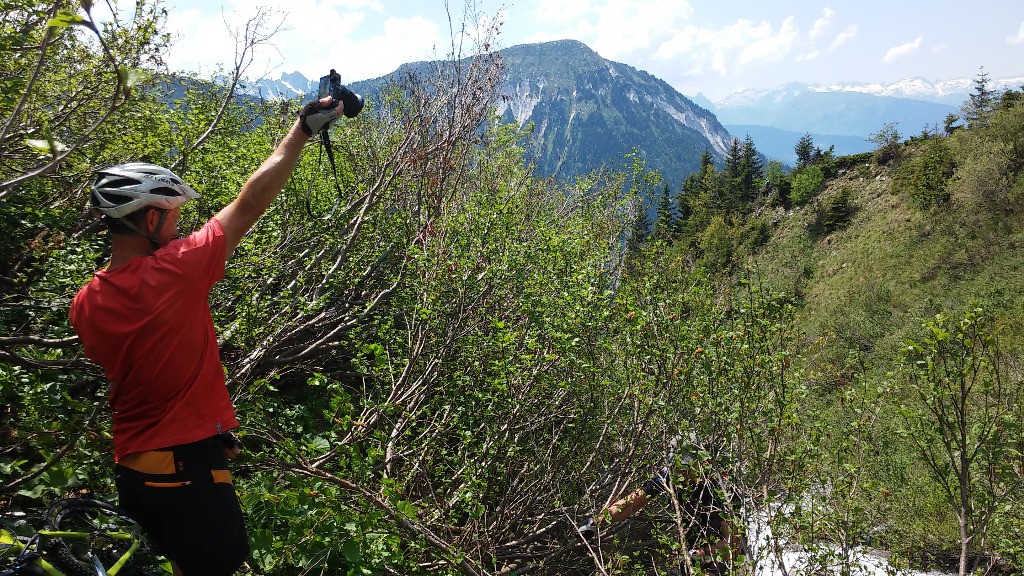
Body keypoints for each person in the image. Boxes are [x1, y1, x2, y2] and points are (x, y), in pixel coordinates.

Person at [69, 94, 348, 576]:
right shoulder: (176, 270)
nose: (179, 229)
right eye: (174, 216)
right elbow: (250, 202)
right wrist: (302, 131)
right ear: (151, 219)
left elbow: (149, 374)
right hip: (181, 469)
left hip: (136, 468)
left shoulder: (85, 302)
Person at [577, 441, 745, 575]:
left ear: (699, 463)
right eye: (677, 467)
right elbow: (634, 501)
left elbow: (732, 544)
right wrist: (596, 523)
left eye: (685, 468)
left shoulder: (719, 486)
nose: (680, 473)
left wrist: (705, 553)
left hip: (720, 545)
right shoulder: (668, 474)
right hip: (692, 539)